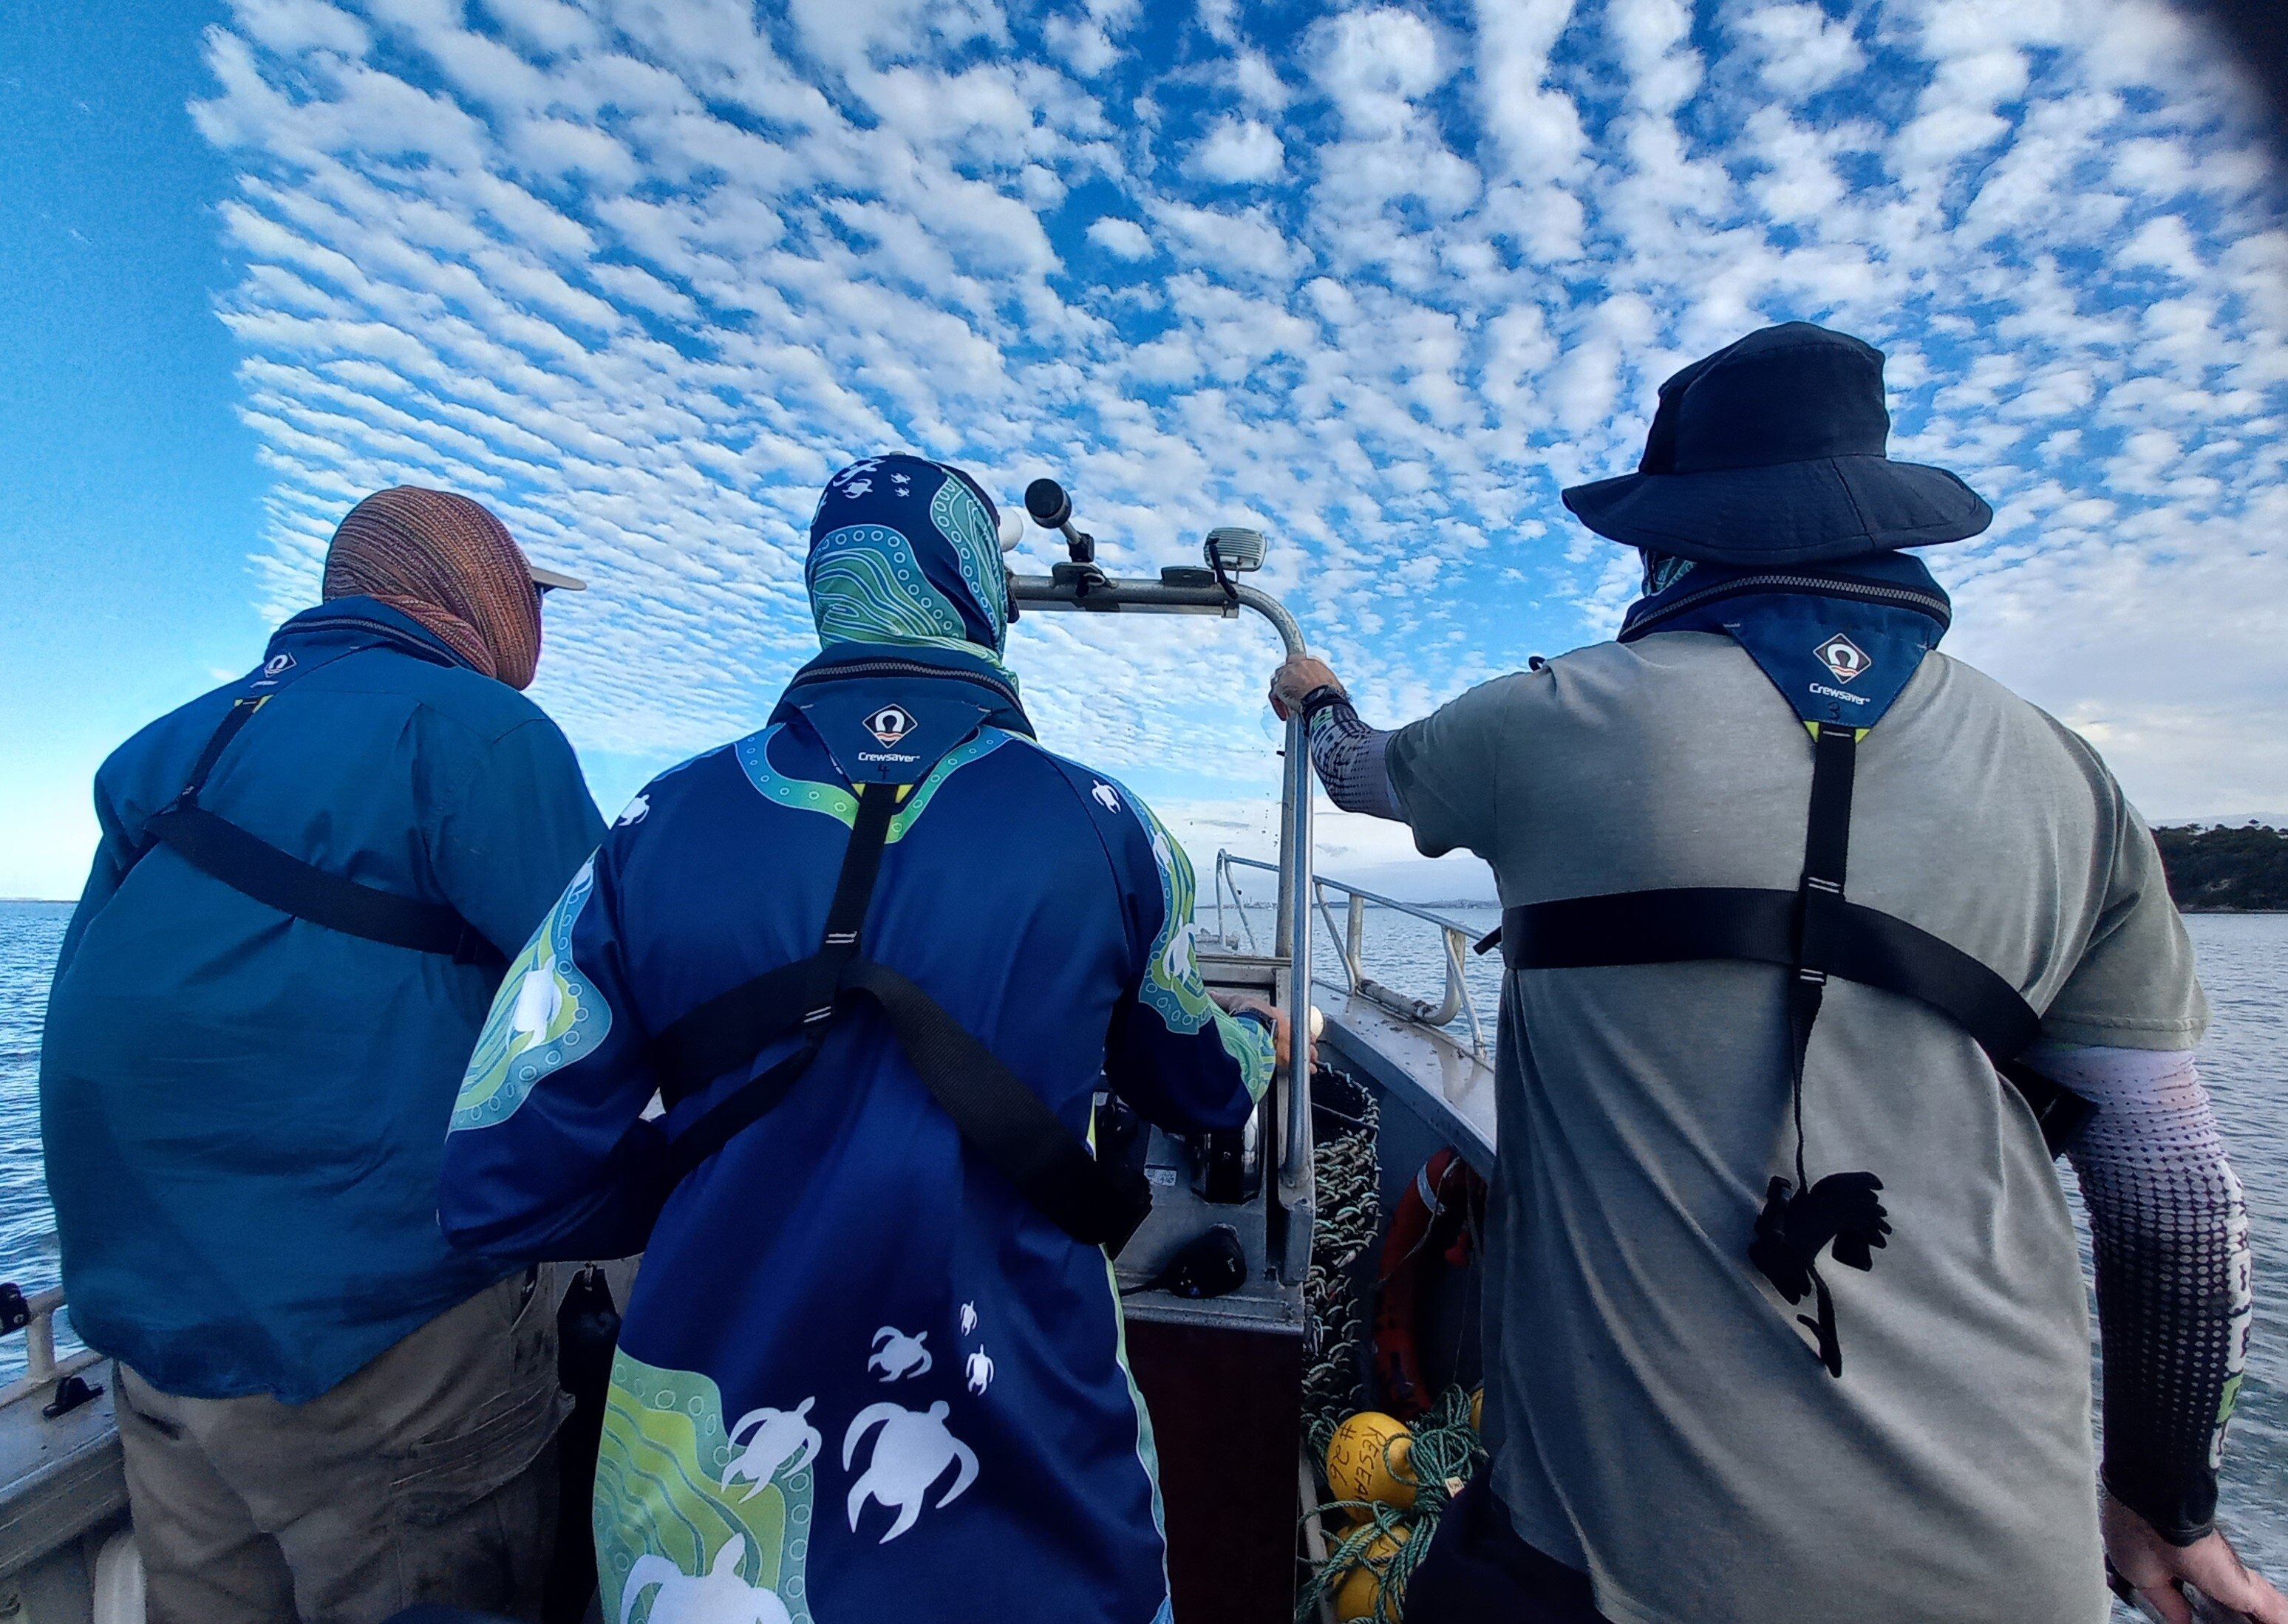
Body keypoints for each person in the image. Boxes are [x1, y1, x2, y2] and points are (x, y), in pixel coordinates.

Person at [1270, 324, 2285, 1624]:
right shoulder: (2074, 784)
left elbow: (1356, 770)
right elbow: (2179, 1208)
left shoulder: (1546, 722)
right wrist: (2162, 1500)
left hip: (1613, 1569)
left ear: (1673, 535)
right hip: (2010, 1580)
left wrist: (1314, 697)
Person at [437, 454, 1290, 1624]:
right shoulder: (1109, 830)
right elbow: (1200, 1088)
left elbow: (497, 1174)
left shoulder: (655, 824)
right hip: (1043, 1517)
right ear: (979, 592)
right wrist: (1264, 1043)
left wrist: (705, 1181)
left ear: (825, 591)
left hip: (713, 1539)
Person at [41, 487, 606, 1623]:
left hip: (158, 1342)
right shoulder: (477, 729)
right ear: (472, 587)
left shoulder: (173, 743)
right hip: (380, 1350)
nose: (537, 626)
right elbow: (621, 993)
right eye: (529, 596)